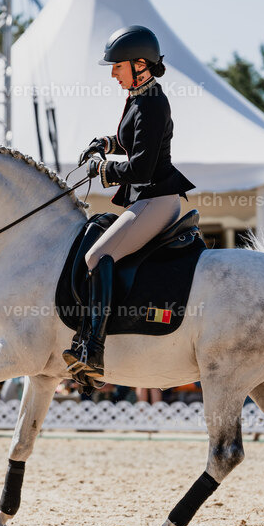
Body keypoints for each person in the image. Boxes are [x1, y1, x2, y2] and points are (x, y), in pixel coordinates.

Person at [63, 25, 195, 385]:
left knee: (96, 257)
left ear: (140, 64)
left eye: (117, 66)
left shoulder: (152, 103)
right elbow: (135, 143)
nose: (112, 73)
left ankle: (94, 350)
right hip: (146, 200)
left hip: (155, 199)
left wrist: (102, 168)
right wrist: (107, 142)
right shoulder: (140, 96)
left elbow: (142, 167)